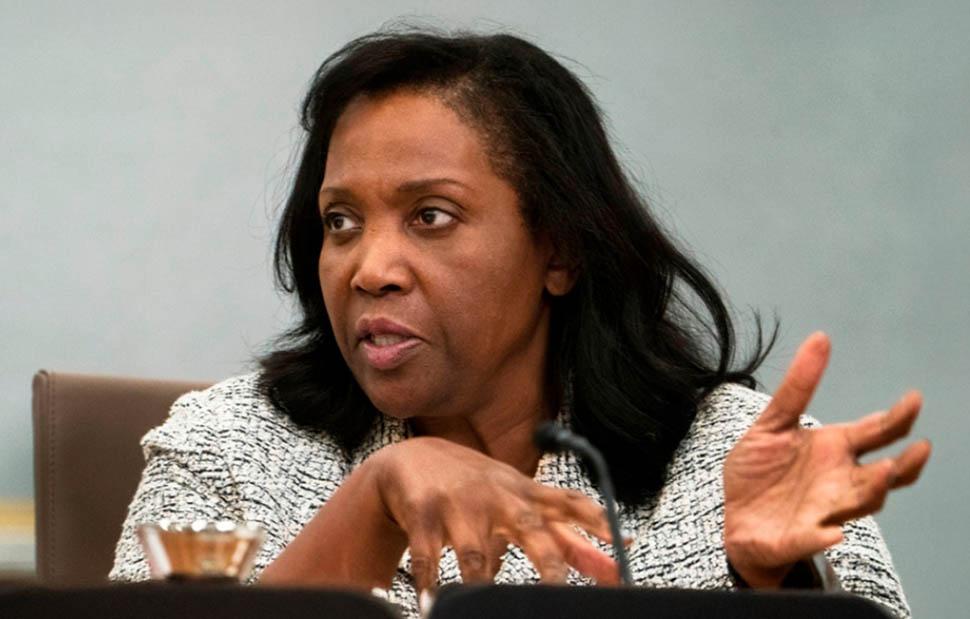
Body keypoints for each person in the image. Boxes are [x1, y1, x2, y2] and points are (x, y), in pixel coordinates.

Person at [110, 29, 930, 618]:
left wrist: (775, 590)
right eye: (341, 221)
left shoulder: (734, 456)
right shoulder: (229, 447)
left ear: (559, 249)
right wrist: (371, 502)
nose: (369, 267)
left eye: (430, 216)